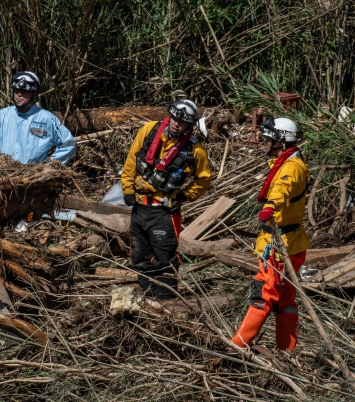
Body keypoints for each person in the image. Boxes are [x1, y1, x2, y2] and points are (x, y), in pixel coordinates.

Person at [120, 99, 212, 299]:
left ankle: (167, 304)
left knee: (164, 260)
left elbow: (204, 178)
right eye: (176, 118)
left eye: (183, 122)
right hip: (140, 208)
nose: (177, 123)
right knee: (140, 258)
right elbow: (131, 160)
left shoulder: (194, 150)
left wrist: (186, 195)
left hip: (164, 212)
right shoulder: (148, 131)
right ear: (170, 115)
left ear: (189, 125)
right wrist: (127, 189)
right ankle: (147, 298)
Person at [232, 117, 308, 351]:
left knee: (263, 296)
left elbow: (282, 190)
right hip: (290, 243)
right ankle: (286, 353)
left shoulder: (291, 168)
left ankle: (236, 346)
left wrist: (269, 207)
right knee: (285, 301)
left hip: (278, 245)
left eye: (268, 139)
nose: (264, 142)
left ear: (281, 142)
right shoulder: (288, 162)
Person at [0, 71, 75, 164]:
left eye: (25, 91)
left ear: (35, 94)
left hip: (35, 175)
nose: (19, 94)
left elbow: (69, 144)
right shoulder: (1, 116)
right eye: (17, 90)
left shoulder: (47, 119)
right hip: (5, 173)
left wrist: (50, 165)